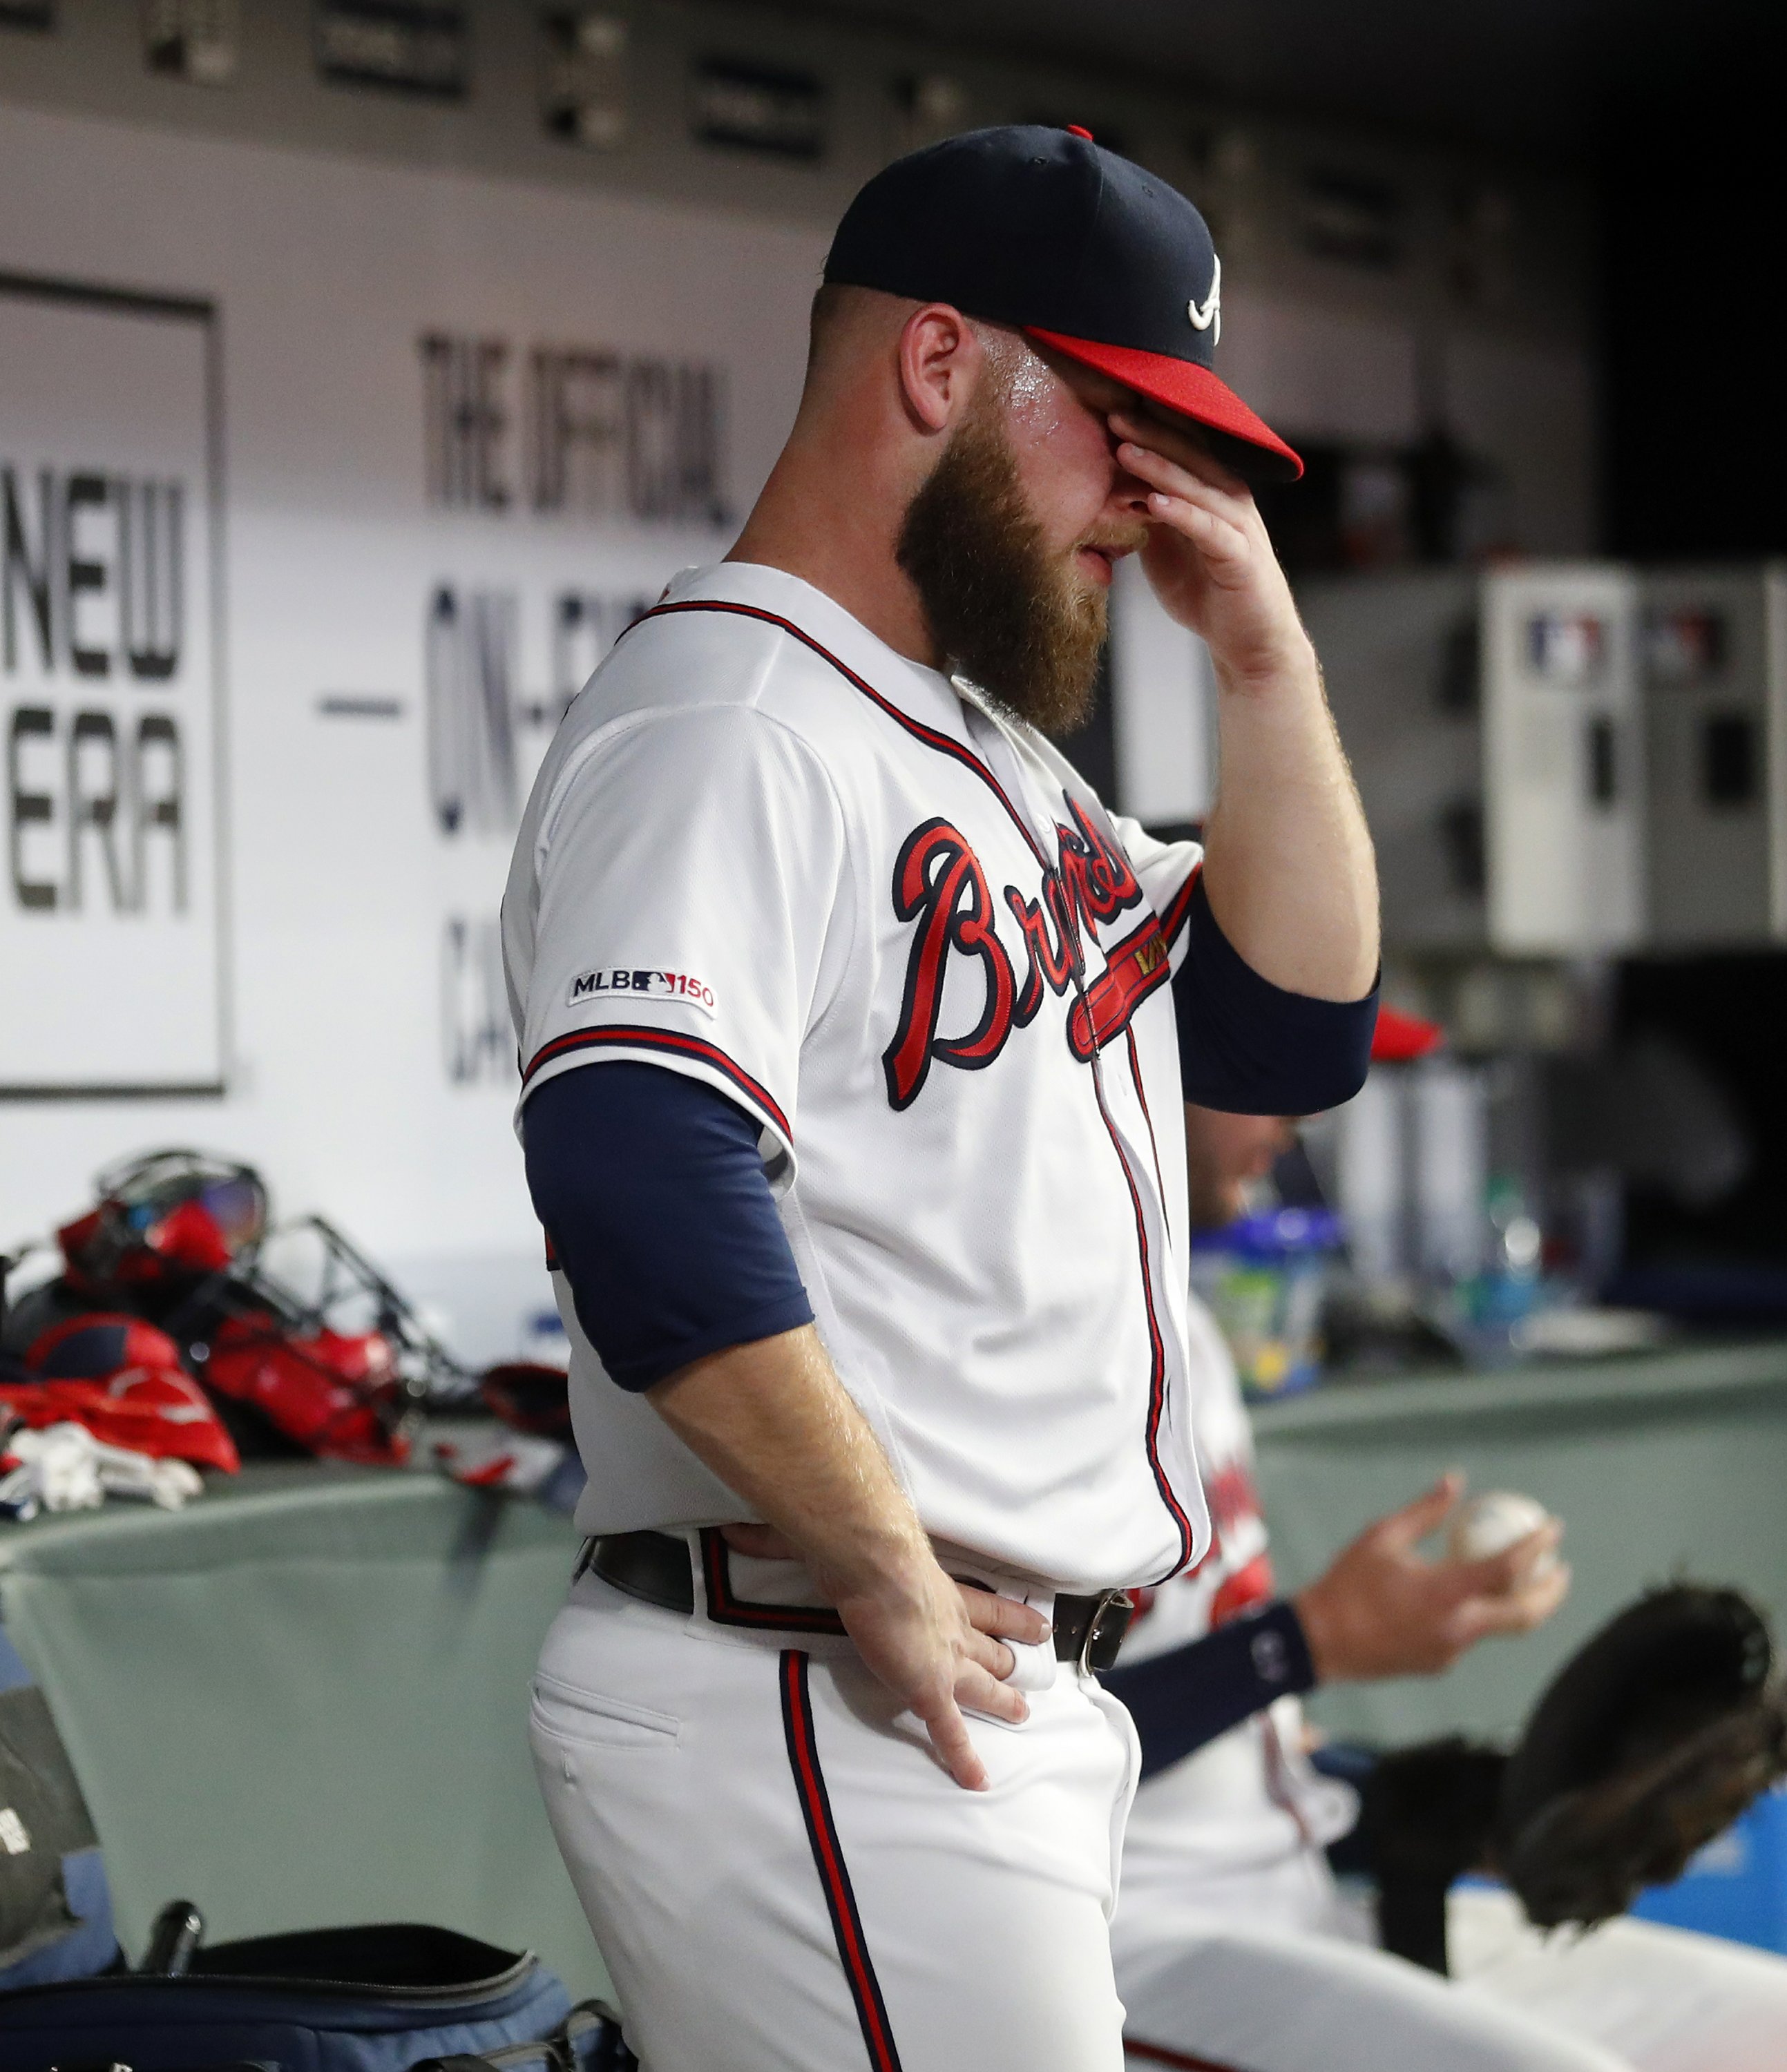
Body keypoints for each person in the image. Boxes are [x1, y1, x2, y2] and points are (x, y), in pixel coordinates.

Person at [501, 126, 1377, 2071]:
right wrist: (881, 1563)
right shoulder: (733, 713)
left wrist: (1260, 653)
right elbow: (637, 1168)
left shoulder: (988, 750)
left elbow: (1277, 1036)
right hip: (819, 1686)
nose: (1161, 497)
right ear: (936, 367)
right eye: (1121, 423)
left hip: (939, 1700)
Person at [1107, 1100, 1787, 2072]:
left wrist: (1460, 1812)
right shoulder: (1035, 1363)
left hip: (1298, 1903)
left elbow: (1229, 1761)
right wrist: (1307, 1643)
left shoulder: (1196, 1340)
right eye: (1263, 1064)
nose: (1298, 1119)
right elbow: (1002, 1747)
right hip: (1130, 1940)